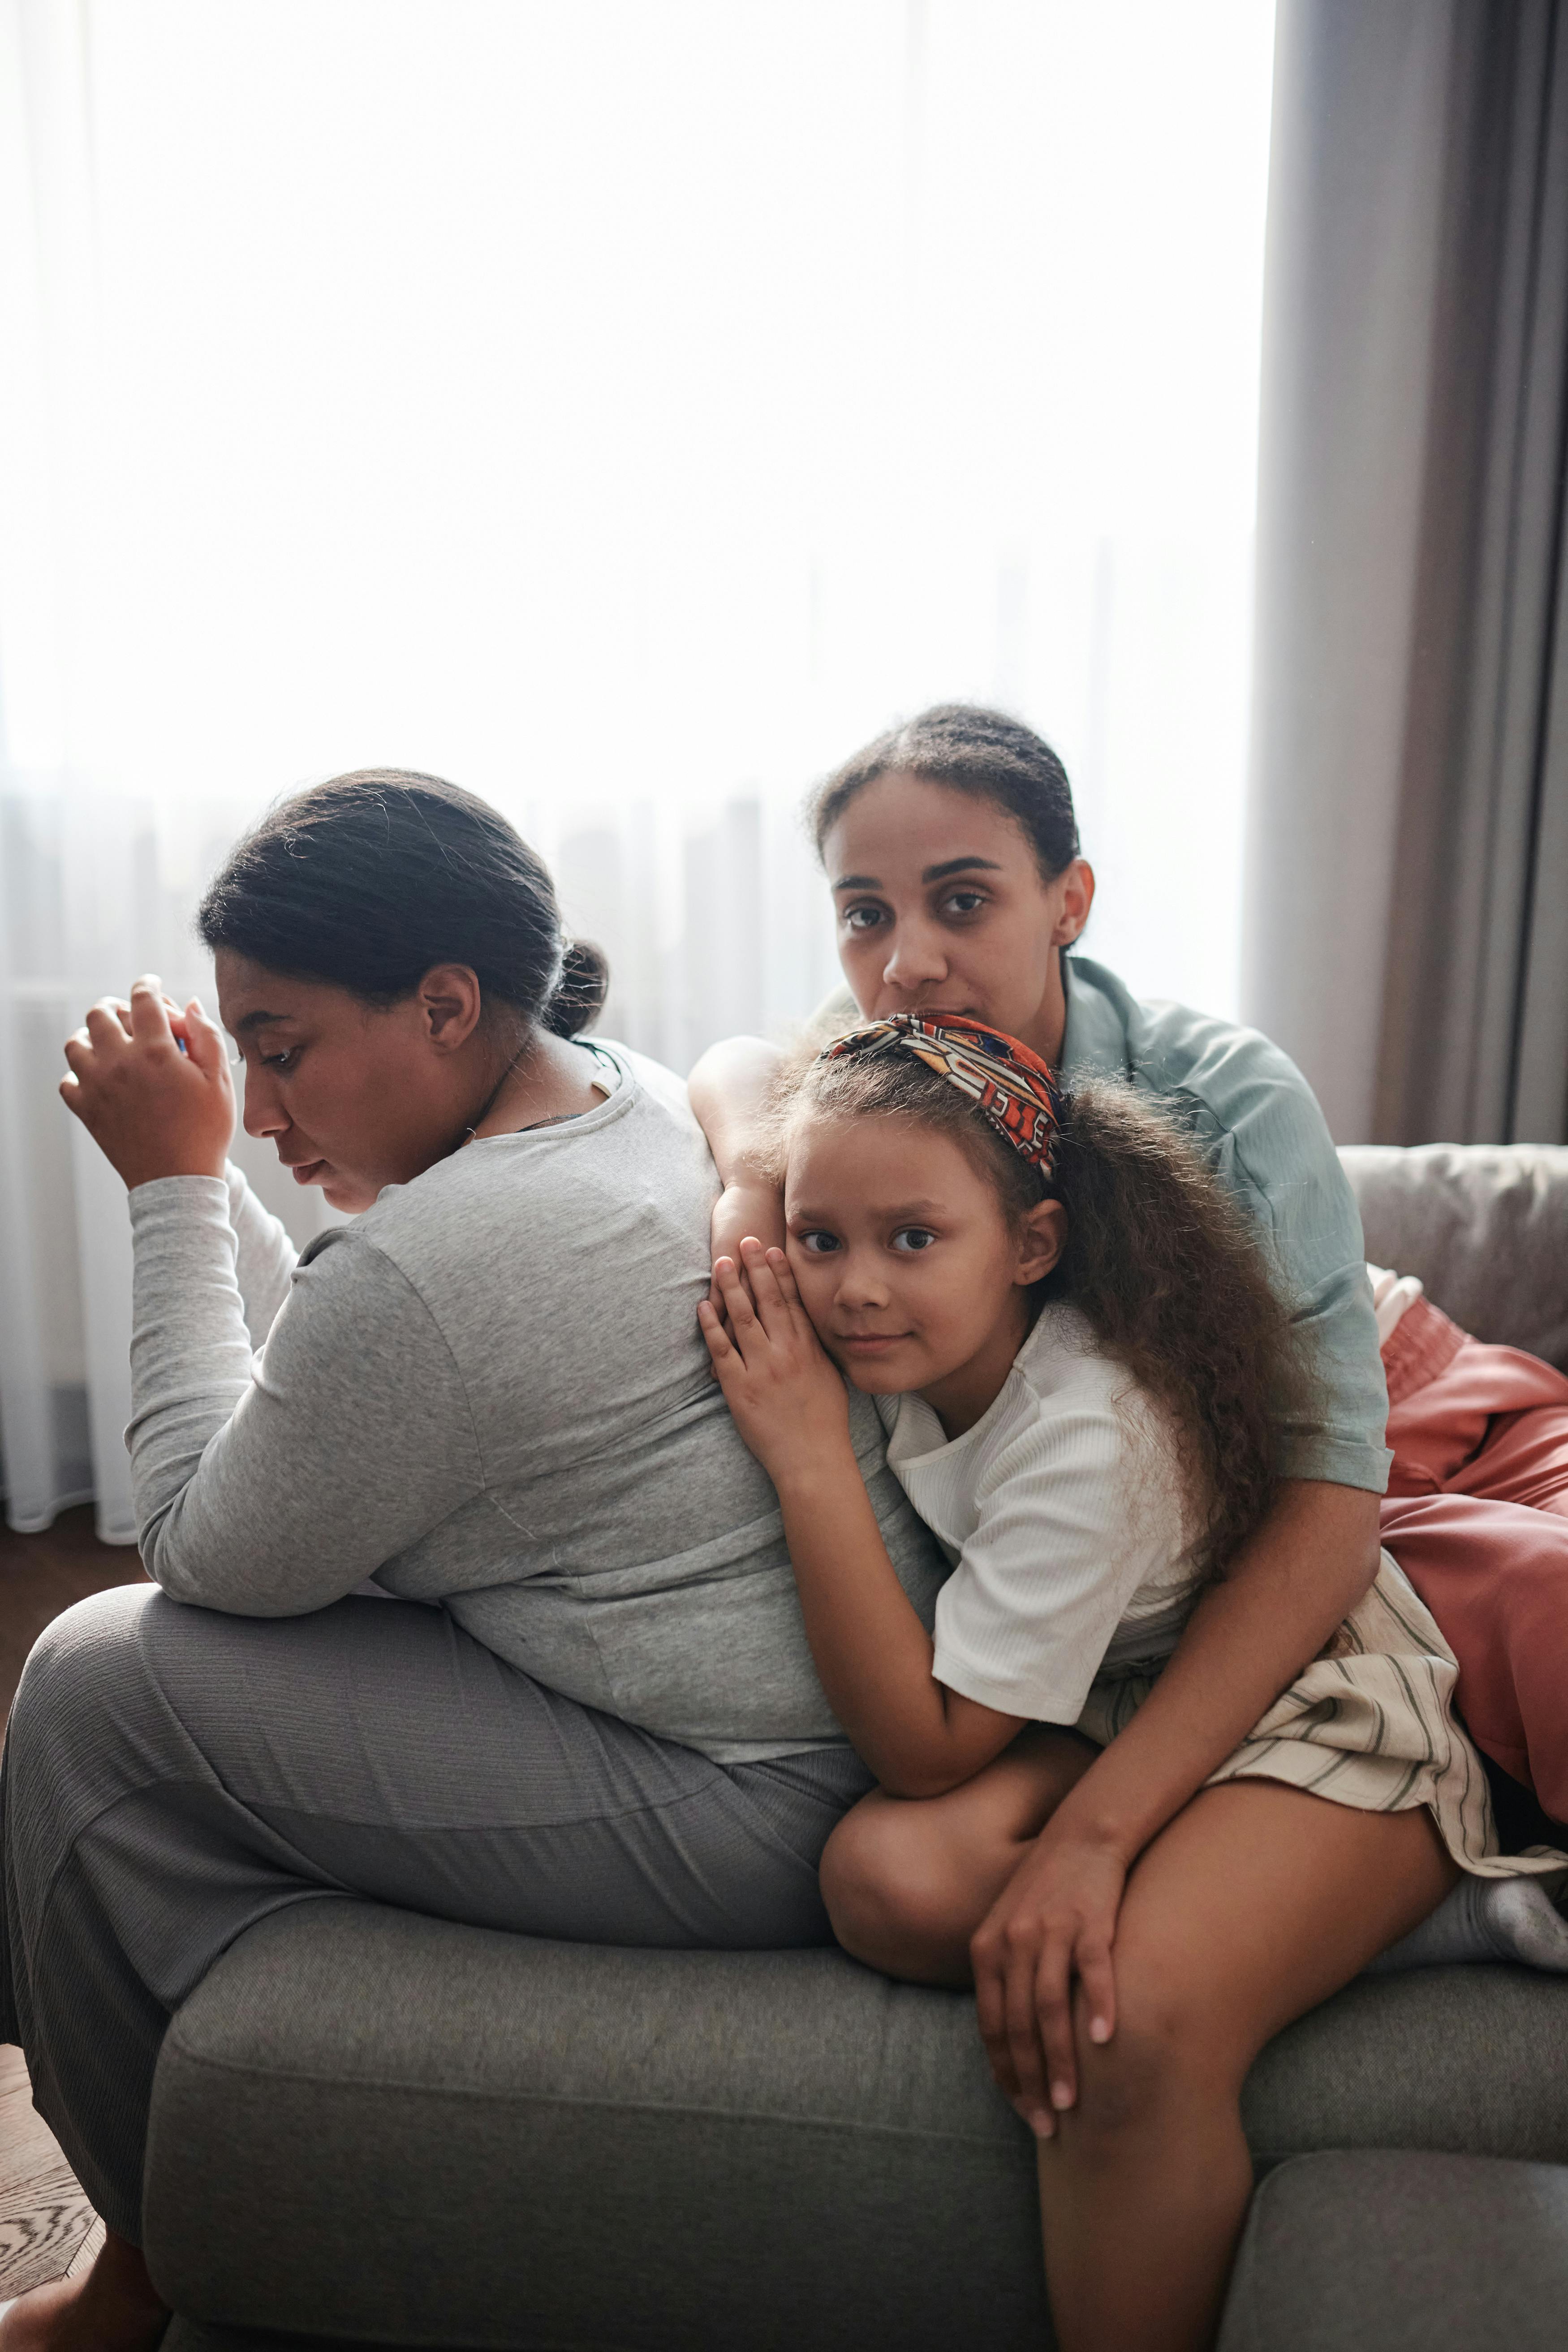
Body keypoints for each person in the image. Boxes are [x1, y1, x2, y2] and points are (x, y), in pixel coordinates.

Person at [0, 769, 945, 2352]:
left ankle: (133, 2280)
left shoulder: (454, 1260)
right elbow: (345, 1335)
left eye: (283, 1051)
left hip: (749, 1792)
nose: (268, 1104)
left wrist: (172, 1185)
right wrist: (213, 1172)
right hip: (798, 1732)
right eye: (244, 1060)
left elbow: (199, 1540)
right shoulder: (607, 1090)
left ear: (444, 1002)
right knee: (132, 1682)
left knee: (92, 1689)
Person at [696, 1009, 1561, 2352]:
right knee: (884, 1878)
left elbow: (926, 1746)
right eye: (823, 1240)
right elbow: (737, 1064)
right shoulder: (902, 1325)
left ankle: (1452, 1884)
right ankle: (1295, 1895)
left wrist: (809, 1459)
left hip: (1306, 1679)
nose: (854, 1286)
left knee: (1119, 2030)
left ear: (1030, 1246)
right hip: (1117, 1687)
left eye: (910, 1239)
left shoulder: (1079, 1434)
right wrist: (756, 1192)